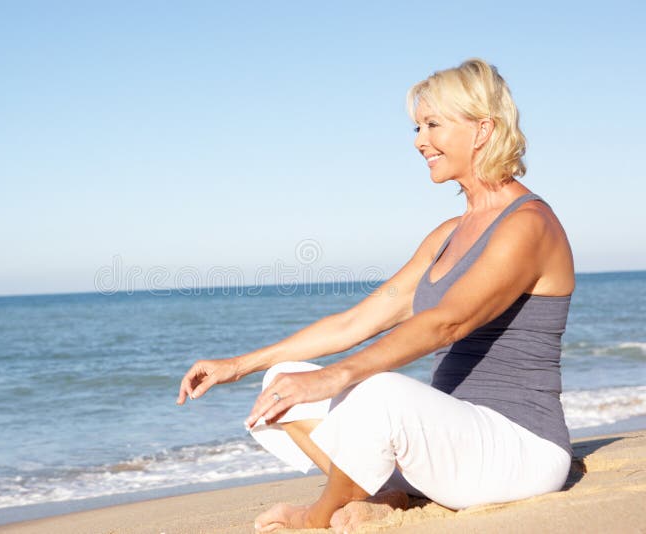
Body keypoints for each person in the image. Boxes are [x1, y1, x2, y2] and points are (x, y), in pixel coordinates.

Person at [176, 58, 574, 533]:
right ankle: (393, 492)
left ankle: (315, 518)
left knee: (380, 390)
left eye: (432, 125)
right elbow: (358, 321)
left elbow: (448, 322)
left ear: (483, 129)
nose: (418, 140)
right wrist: (238, 366)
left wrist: (338, 376)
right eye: (416, 126)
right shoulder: (448, 234)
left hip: (520, 449)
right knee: (284, 381)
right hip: (454, 447)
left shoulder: (527, 225)